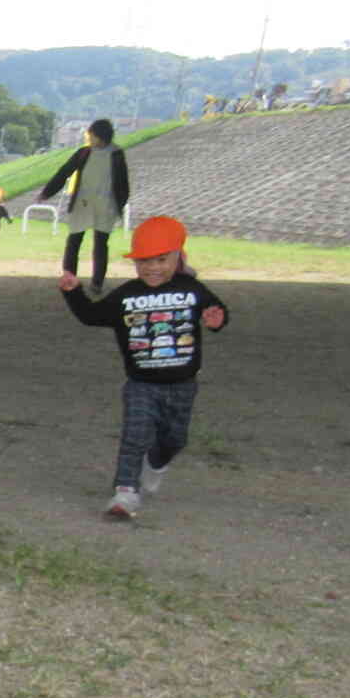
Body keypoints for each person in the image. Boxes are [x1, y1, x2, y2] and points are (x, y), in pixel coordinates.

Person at [58, 213, 229, 520]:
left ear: (178, 257)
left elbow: (215, 310)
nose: (152, 268)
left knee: (175, 439)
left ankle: (157, 463)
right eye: (144, 262)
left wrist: (217, 319)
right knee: (134, 434)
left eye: (161, 260)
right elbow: (92, 316)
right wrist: (73, 292)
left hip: (183, 383)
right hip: (141, 384)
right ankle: (125, 493)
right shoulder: (127, 294)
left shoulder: (192, 289)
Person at [36, 117, 129, 294]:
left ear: (101, 137)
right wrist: (47, 192)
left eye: (92, 135)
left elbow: (123, 183)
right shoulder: (84, 153)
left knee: (101, 244)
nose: (90, 138)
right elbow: (64, 172)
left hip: (106, 204)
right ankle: (69, 279)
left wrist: (120, 205)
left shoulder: (117, 154)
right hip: (83, 203)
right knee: (74, 241)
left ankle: (97, 283)